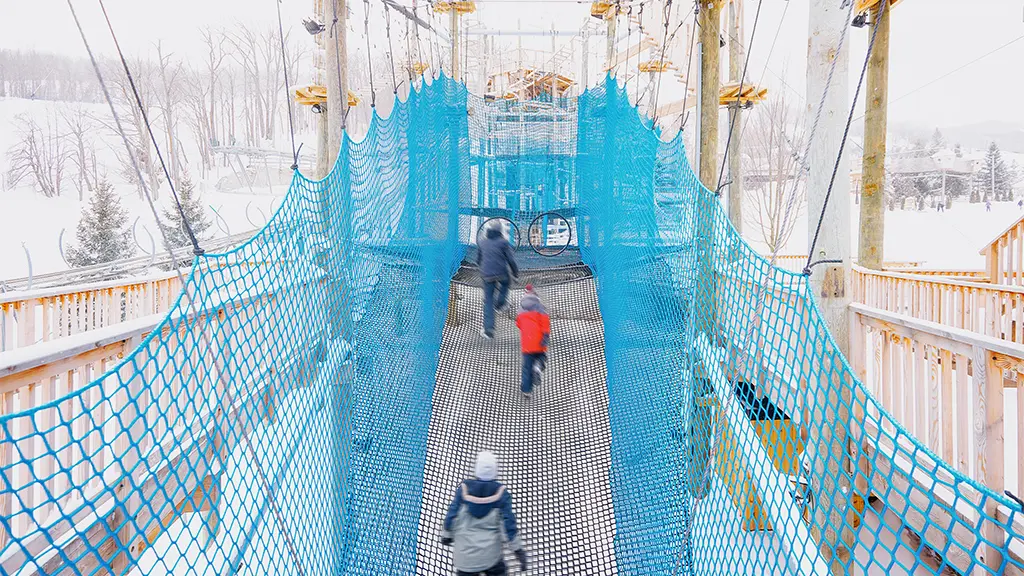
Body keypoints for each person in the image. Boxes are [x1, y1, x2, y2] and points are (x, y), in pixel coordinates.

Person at [441, 451, 527, 576]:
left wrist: (446, 534)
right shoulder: (501, 495)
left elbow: (452, 516)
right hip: (490, 557)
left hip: (465, 559)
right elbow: (508, 525)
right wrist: (518, 550)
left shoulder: (464, 491)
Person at [477, 222, 519, 339]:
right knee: (506, 282)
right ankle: (500, 304)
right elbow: (511, 260)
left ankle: (488, 329)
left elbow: (478, 260)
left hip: (486, 274)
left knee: (488, 300)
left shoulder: (482, 242)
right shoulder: (504, 242)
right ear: (500, 231)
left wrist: (483, 267)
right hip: (501, 272)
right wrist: (515, 274)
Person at [516, 284, 550, 398]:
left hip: (526, 343)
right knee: (541, 357)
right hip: (539, 340)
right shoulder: (540, 308)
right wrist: (545, 337)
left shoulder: (521, 310)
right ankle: (538, 367)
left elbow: (518, 324)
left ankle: (526, 390)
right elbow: (545, 324)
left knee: (526, 367)